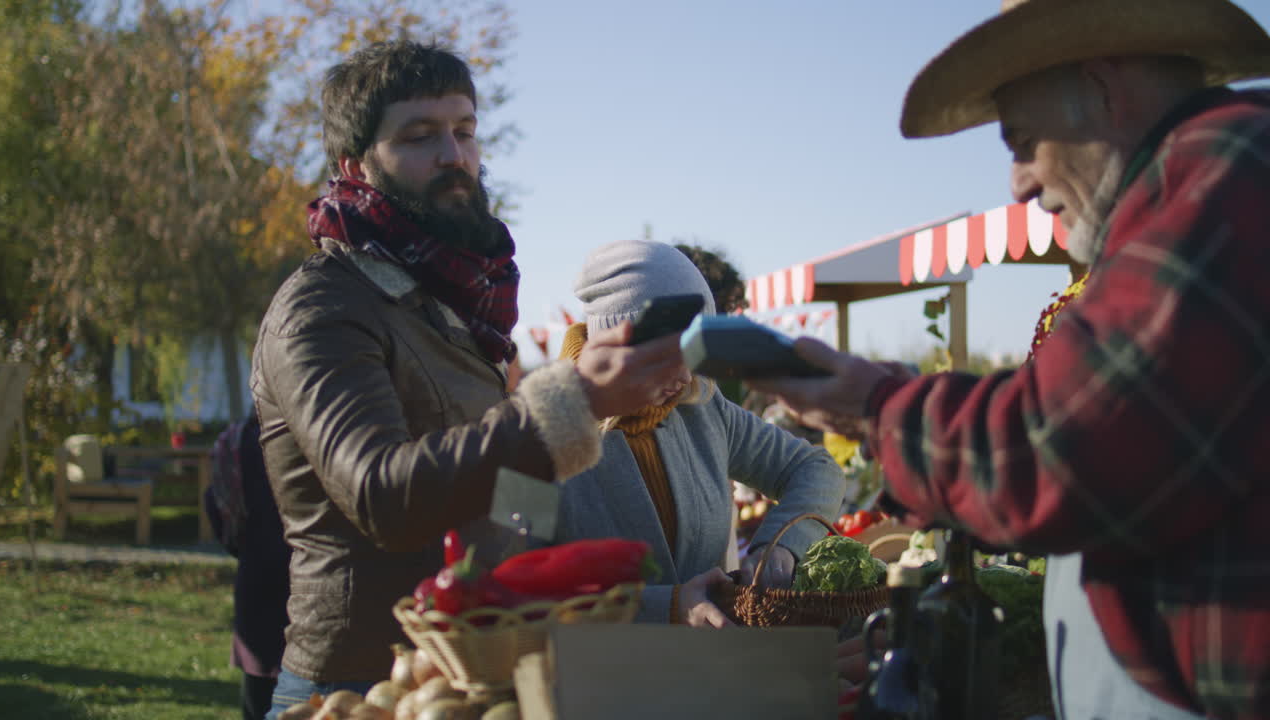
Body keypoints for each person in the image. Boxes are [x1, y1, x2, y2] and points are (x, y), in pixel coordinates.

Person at [753, 1, 1270, 717]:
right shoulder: (1189, 188)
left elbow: (1062, 447)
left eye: (1022, 142)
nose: (1019, 182)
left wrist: (871, 405)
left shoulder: (1225, 172)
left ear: (1102, 89)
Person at [250, 41, 689, 717]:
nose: (453, 156)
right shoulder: (323, 307)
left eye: (464, 132)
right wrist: (574, 399)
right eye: (419, 137)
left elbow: (500, 502)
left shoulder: (457, 306)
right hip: (357, 689)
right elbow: (381, 495)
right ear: (355, 165)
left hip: (475, 668)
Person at [555, 240, 846, 627]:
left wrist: (780, 548)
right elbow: (510, 583)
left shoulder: (703, 408)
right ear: (614, 344)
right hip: (596, 678)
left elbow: (814, 467)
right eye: (665, 356)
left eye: (693, 353)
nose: (684, 376)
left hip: (708, 670)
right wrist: (667, 607)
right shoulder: (536, 433)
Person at [204, 411, 291, 720]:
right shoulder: (313, 435)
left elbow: (216, 505)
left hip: (256, 575)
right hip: (311, 580)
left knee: (258, 697)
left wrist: (244, 549)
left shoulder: (237, 441)